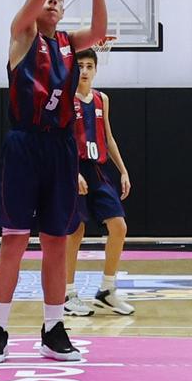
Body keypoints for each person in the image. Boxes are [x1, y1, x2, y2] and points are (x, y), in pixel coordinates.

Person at [0, 0, 106, 365]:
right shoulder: (22, 34)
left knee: (56, 240)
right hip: (24, 146)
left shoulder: (70, 44)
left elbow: (102, 29)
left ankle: (53, 328)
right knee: (13, 240)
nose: (53, 0)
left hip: (60, 148)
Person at [62, 51, 134, 316]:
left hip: (98, 169)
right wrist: (72, 173)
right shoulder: (66, 100)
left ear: (95, 70)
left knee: (119, 226)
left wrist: (123, 170)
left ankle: (107, 290)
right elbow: (62, 140)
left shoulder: (103, 99)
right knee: (75, 232)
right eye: (80, 66)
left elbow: (109, 137)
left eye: (89, 66)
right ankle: (68, 294)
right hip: (74, 168)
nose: (84, 71)